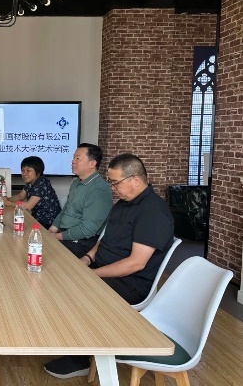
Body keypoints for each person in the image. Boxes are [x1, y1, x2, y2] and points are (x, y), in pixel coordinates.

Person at [43, 153, 174, 379]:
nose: (112, 188)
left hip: (130, 283)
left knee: (76, 289)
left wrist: (93, 274)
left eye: (116, 183)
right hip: (105, 268)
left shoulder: (153, 212)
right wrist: (87, 259)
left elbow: (136, 263)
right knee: (59, 274)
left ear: (135, 180)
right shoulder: (123, 204)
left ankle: (80, 358)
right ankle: (69, 340)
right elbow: (104, 240)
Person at [48, 143, 113, 258]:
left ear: (92, 163)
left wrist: (56, 237)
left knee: (46, 255)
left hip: (81, 241)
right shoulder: (77, 183)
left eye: (78, 158)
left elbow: (87, 230)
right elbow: (65, 210)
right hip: (64, 234)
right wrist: (52, 230)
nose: (73, 161)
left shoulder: (98, 189)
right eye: (73, 157)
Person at [4, 156, 61, 229]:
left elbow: (29, 205)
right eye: (23, 171)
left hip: (50, 224)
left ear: (38, 172)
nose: (24, 174)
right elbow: (20, 196)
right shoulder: (30, 182)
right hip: (38, 220)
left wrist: (9, 203)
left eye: (28, 171)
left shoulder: (42, 183)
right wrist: (7, 199)